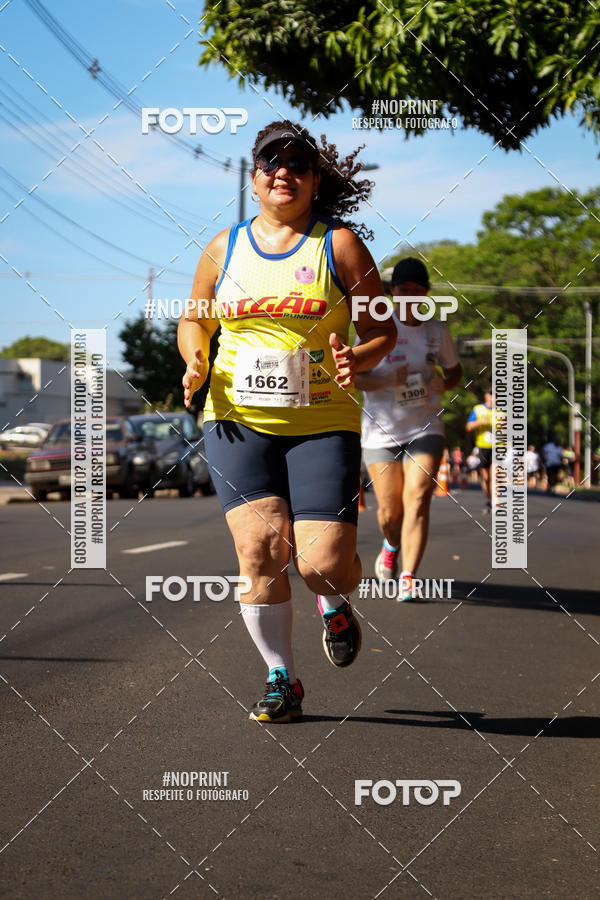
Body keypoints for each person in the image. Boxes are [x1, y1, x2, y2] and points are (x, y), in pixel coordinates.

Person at [178, 121, 396, 723]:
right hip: (235, 418)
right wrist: (195, 354)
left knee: (320, 564)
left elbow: (382, 330)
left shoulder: (340, 245)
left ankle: (336, 602)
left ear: (314, 180)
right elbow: (194, 318)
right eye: (271, 162)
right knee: (259, 552)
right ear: (254, 178)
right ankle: (282, 680)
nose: (284, 172)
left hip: (321, 420)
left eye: (297, 164)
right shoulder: (224, 247)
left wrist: (361, 355)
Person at [355, 257, 463, 601]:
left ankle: (408, 576)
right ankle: (390, 544)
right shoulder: (377, 328)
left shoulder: (436, 332)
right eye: (403, 290)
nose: (410, 296)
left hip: (425, 426)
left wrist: (442, 385)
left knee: (417, 499)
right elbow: (354, 376)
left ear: (427, 293)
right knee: (390, 510)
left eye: (417, 291)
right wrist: (385, 378)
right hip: (380, 429)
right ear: (392, 291)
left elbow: (455, 371)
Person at [466, 387, 494, 513]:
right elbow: (469, 427)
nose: (495, 398)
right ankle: (489, 500)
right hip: (483, 447)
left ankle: (495, 502)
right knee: (486, 477)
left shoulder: (502, 411)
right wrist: (479, 422)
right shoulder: (478, 409)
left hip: (498, 447)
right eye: (493, 395)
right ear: (487, 396)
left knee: (495, 476)